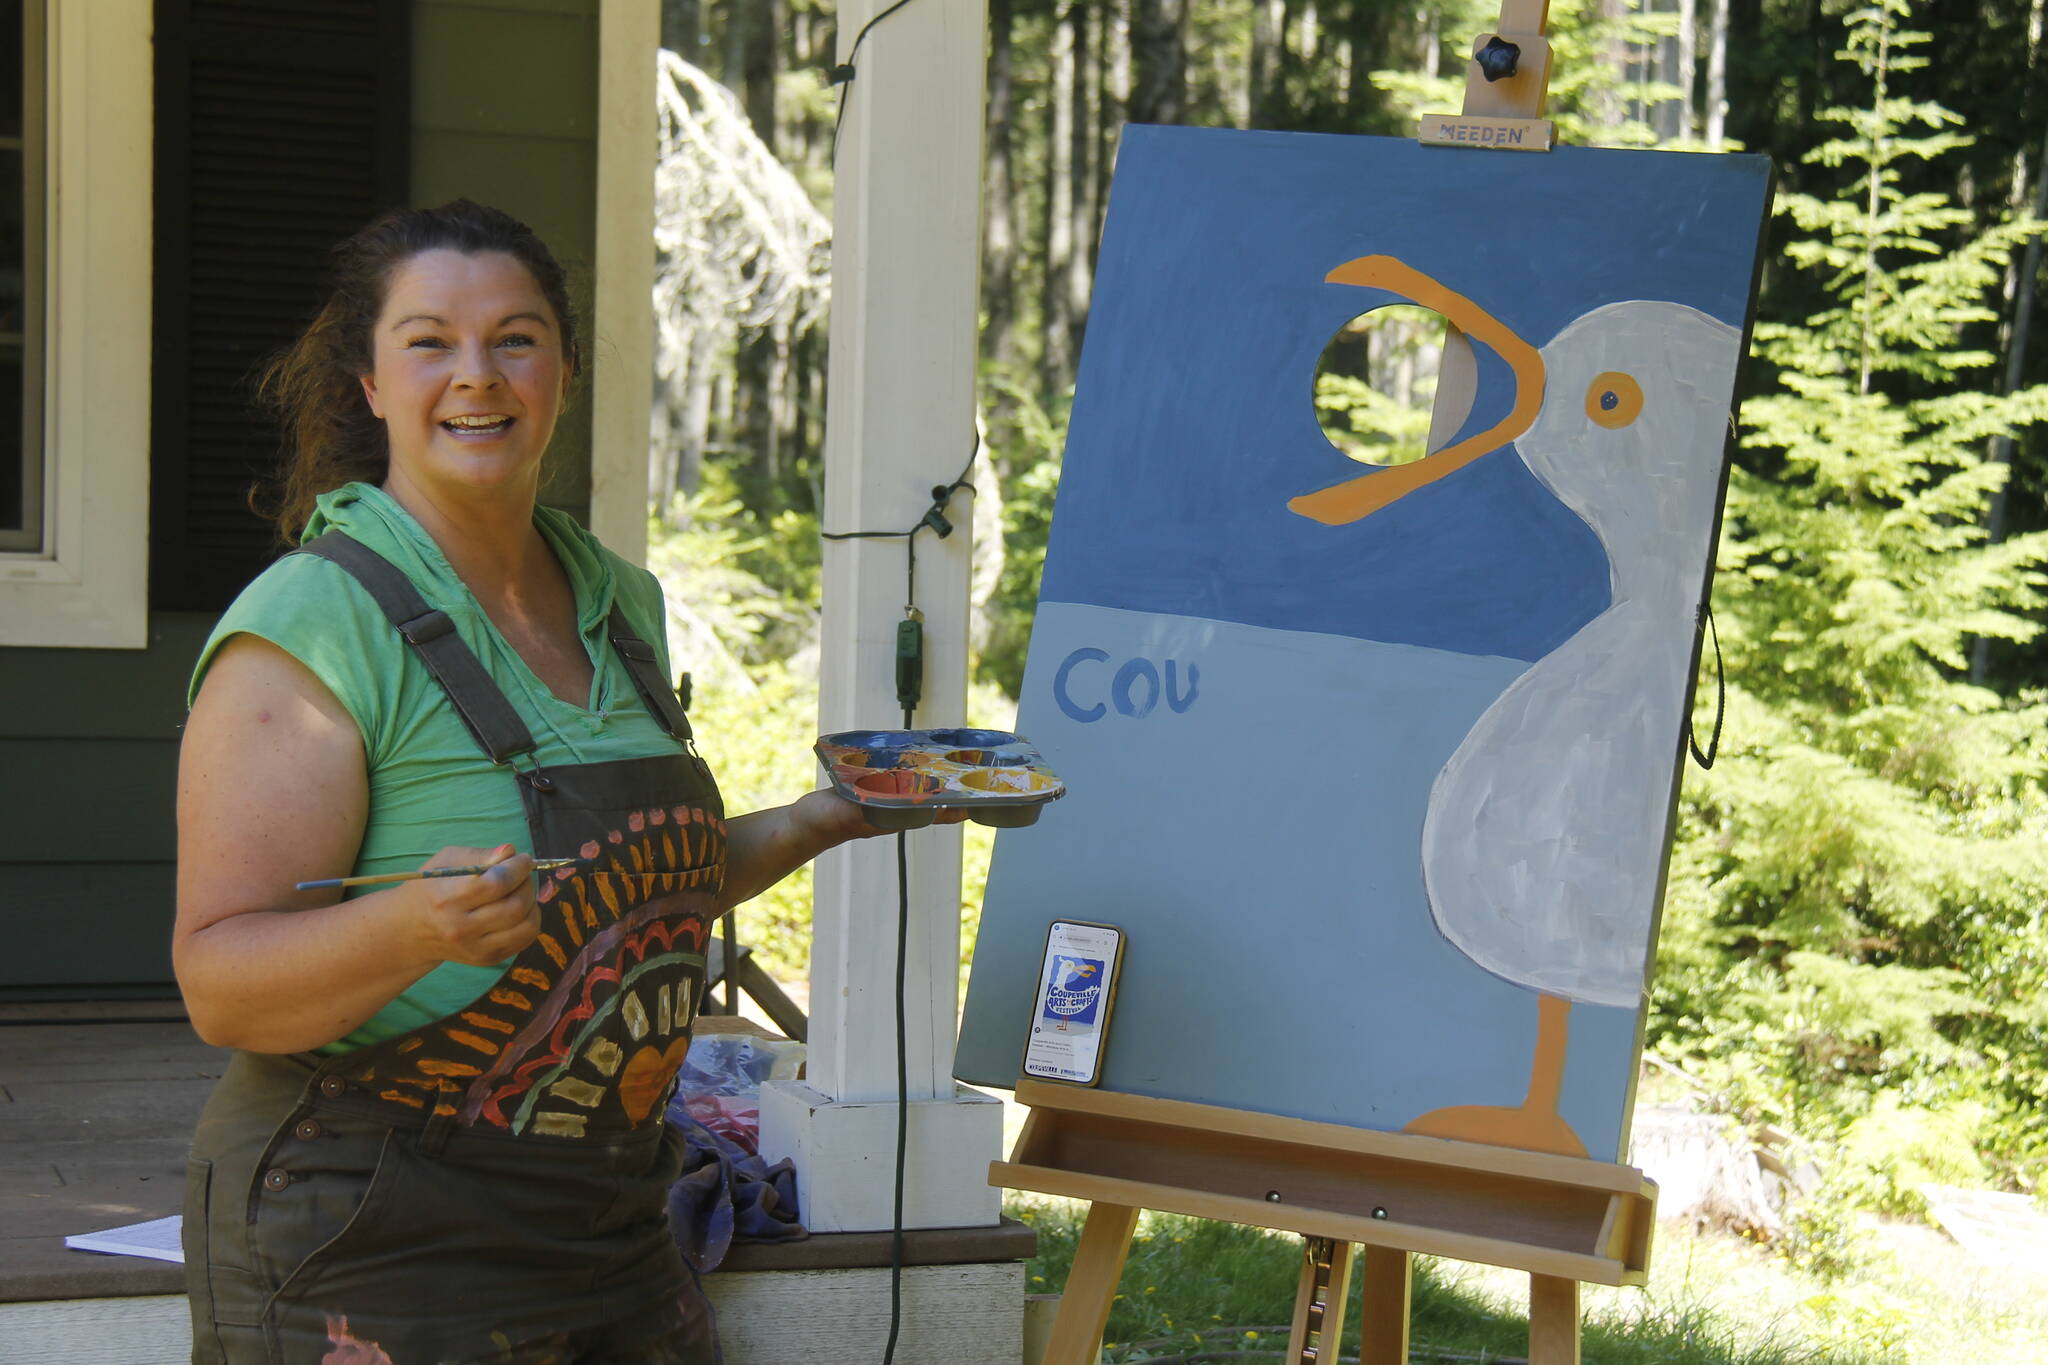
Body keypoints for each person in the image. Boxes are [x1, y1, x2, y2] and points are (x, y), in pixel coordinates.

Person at [175, 200, 896, 1364]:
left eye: (515, 339)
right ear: (370, 383)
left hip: (616, 1219)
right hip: (375, 1230)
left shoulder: (619, 600)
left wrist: (822, 821)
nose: (478, 375)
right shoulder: (313, 620)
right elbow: (221, 987)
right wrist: (414, 928)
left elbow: (626, 883)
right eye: (429, 343)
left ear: (562, 371)